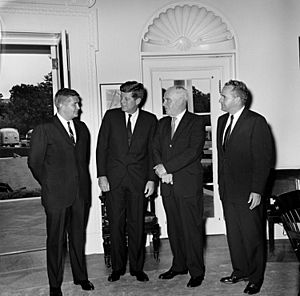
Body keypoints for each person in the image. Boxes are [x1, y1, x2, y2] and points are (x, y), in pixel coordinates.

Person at [28, 88, 94, 296]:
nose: (78, 107)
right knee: (56, 241)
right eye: (75, 103)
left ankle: (80, 277)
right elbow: (34, 163)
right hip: (56, 195)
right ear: (62, 105)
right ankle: (55, 285)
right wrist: (49, 184)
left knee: (78, 238)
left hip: (80, 194)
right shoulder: (44, 129)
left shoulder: (82, 129)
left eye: (78, 103)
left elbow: (82, 162)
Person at [96, 81, 157, 282]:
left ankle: (137, 268)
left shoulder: (150, 120)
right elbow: (101, 148)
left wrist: (151, 179)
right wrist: (102, 175)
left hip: (139, 181)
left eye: (126, 98)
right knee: (116, 224)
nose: (121, 101)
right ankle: (117, 268)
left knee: (136, 225)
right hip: (113, 181)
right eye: (121, 96)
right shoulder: (111, 117)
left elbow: (152, 153)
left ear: (137, 100)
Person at [217, 80, 273, 295]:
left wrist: (257, 190)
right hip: (228, 191)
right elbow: (224, 159)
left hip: (249, 191)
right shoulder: (222, 121)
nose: (221, 100)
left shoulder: (256, 122)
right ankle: (240, 270)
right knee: (234, 234)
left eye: (224, 96)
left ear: (238, 99)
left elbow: (263, 159)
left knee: (252, 236)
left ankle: (256, 278)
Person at [153, 85, 206, 288]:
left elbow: (193, 151)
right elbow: (155, 147)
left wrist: (167, 168)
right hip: (167, 185)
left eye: (167, 100)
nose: (164, 103)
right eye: (165, 99)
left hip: (187, 184)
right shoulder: (162, 123)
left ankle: (196, 271)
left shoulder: (196, 122)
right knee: (174, 227)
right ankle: (179, 265)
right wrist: (160, 170)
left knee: (191, 228)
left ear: (180, 101)